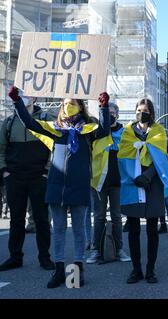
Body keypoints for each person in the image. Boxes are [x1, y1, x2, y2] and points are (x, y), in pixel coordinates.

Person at [7, 86, 111, 288]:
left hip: (79, 185)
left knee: (79, 230)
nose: (67, 107)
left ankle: (78, 271)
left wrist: (103, 107)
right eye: (65, 104)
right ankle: (59, 270)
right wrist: (17, 101)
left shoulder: (88, 131)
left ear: (80, 107)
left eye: (72, 104)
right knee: (59, 230)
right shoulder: (54, 129)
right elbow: (29, 122)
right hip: (56, 186)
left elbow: (105, 130)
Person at [117, 98, 168, 285]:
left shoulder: (159, 131)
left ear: (151, 112)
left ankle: (150, 270)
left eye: (146, 110)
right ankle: (136, 270)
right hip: (132, 183)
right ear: (135, 112)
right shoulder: (127, 132)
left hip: (152, 184)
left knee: (152, 230)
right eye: (139, 110)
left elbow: (161, 158)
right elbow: (122, 157)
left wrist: (147, 176)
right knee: (133, 229)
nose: (142, 113)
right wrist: (135, 178)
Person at [0, 92, 54, 271]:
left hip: (39, 177)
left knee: (42, 219)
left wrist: (47, 171)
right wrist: (5, 171)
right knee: (16, 220)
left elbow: (54, 146)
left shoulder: (45, 120)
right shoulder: (8, 123)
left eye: (28, 93)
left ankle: (44, 257)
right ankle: (15, 257)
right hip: (14, 178)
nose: (25, 96)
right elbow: (1, 148)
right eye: (22, 94)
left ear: (36, 98)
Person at [87, 102, 131, 264]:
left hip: (118, 181)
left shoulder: (126, 132)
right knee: (98, 217)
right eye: (106, 113)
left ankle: (119, 249)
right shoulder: (96, 132)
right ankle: (95, 251)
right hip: (98, 181)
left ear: (117, 115)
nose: (109, 115)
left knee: (117, 217)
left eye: (112, 112)